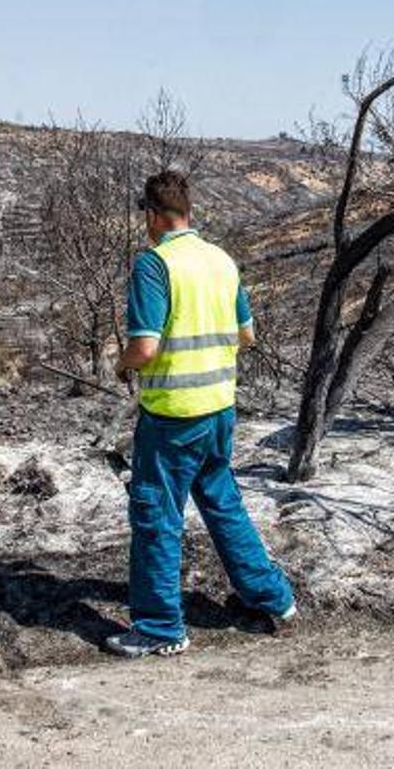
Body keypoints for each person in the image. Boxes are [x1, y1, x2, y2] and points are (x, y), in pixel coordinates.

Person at [107, 171, 296, 658]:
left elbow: (144, 348)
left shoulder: (154, 265)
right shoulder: (220, 260)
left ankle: (159, 627)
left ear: (152, 214)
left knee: (155, 514)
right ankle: (273, 598)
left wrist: (120, 364)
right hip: (219, 409)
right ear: (187, 212)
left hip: (173, 414)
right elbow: (247, 336)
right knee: (221, 500)